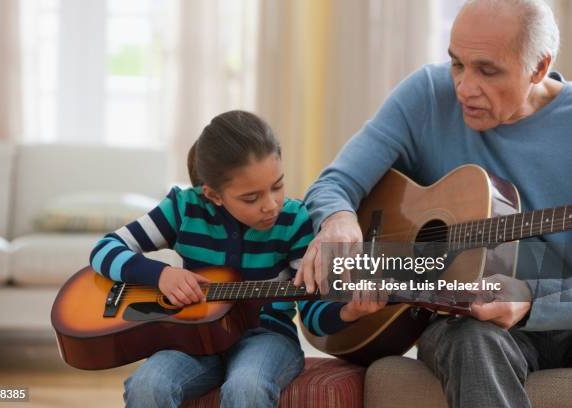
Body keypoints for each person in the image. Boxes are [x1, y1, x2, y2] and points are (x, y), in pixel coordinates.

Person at [296, 0, 572, 407]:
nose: (462, 87)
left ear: (539, 66)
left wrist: (531, 301)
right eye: (457, 63)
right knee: (471, 337)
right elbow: (336, 183)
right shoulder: (426, 94)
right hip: (464, 323)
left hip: (560, 317)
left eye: (487, 70)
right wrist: (337, 220)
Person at [89, 110, 371, 408]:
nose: (271, 205)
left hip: (267, 338)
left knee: (246, 387)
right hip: (191, 339)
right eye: (251, 198)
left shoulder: (295, 219)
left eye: (277, 186)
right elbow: (105, 248)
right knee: (147, 384)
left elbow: (313, 309)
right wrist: (160, 275)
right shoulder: (184, 208)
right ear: (213, 194)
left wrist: (347, 312)